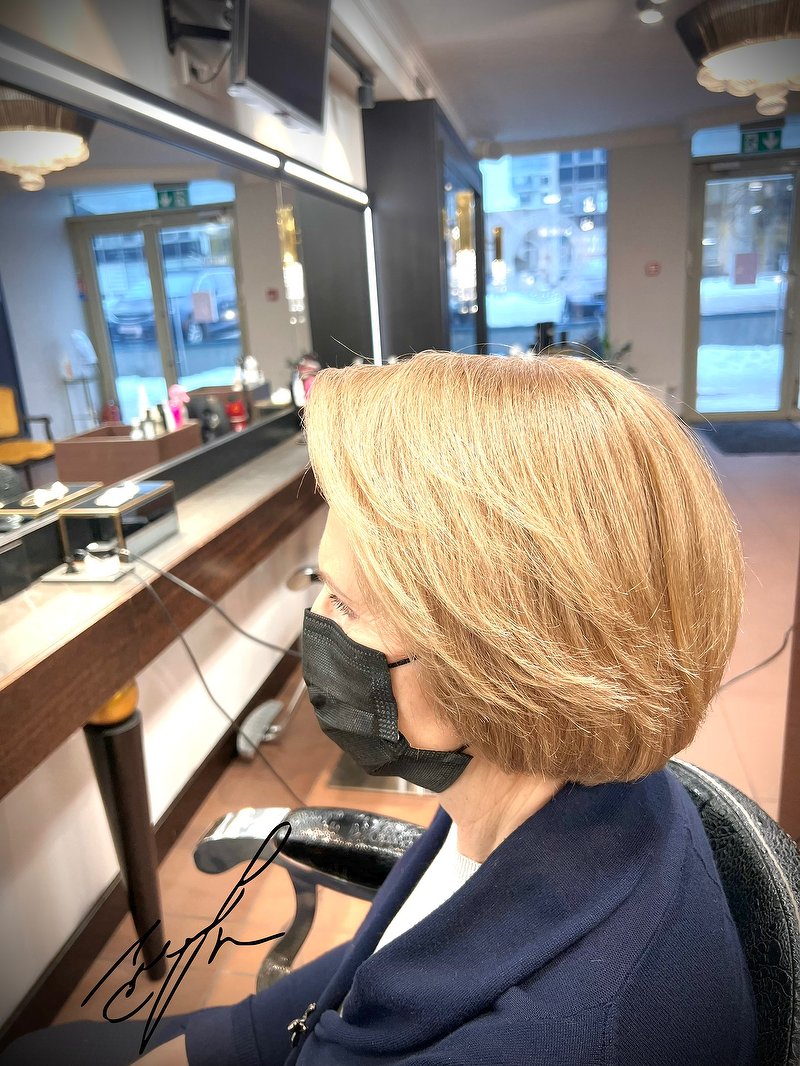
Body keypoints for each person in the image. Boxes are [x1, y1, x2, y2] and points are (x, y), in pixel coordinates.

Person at [3, 352, 755, 1065]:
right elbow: (392, 948)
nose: (315, 623)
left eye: (344, 604)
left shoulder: (545, 1039)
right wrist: (229, 1041)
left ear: (490, 670)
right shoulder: (513, 787)